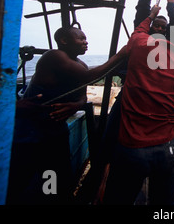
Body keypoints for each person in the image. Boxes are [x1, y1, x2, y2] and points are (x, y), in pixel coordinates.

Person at [7, 26, 128, 205]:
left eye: (86, 38)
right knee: (20, 178)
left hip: (55, 132)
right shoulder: (54, 57)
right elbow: (88, 77)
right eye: (80, 38)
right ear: (63, 41)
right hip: (30, 132)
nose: (85, 42)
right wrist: (120, 56)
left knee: (56, 176)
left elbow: (82, 94)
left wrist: (76, 105)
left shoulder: (80, 65)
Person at [103, 5, 174, 205]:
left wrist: (151, 15)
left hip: (132, 150)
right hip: (168, 151)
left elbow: (138, 31)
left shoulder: (141, 46)